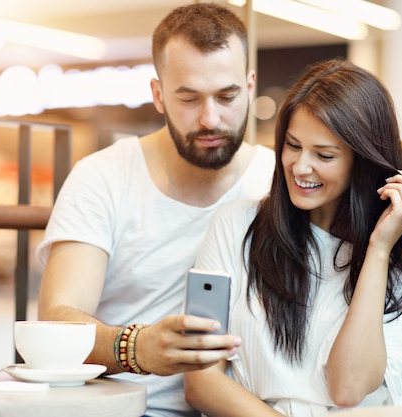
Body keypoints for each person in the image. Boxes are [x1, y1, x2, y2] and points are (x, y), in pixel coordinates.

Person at [183, 59, 402, 416]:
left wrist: (379, 248)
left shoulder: (395, 258)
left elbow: (347, 388)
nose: (300, 167)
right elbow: (200, 379)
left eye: (324, 155)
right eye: (292, 146)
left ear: (362, 161)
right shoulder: (234, 225)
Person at [36, 3, 275, 417]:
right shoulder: (103, 176)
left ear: (250, 86)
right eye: (189, 98)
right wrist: (137, 348)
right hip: (117, 407)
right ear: (159, 95)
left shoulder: (280, 182)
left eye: (227, 96)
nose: (210, 118)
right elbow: (56, 320)